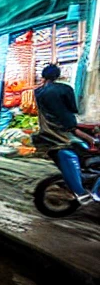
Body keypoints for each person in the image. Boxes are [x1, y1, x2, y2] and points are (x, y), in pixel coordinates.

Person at [34, 64, 99, 200]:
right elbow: (73, 110)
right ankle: (91, 193)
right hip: (64, 135)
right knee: (90, 146)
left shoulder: (38, 92)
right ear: (58, 76)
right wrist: (90, 139)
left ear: (43, 76)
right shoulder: (64, 90)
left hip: (47, 132)